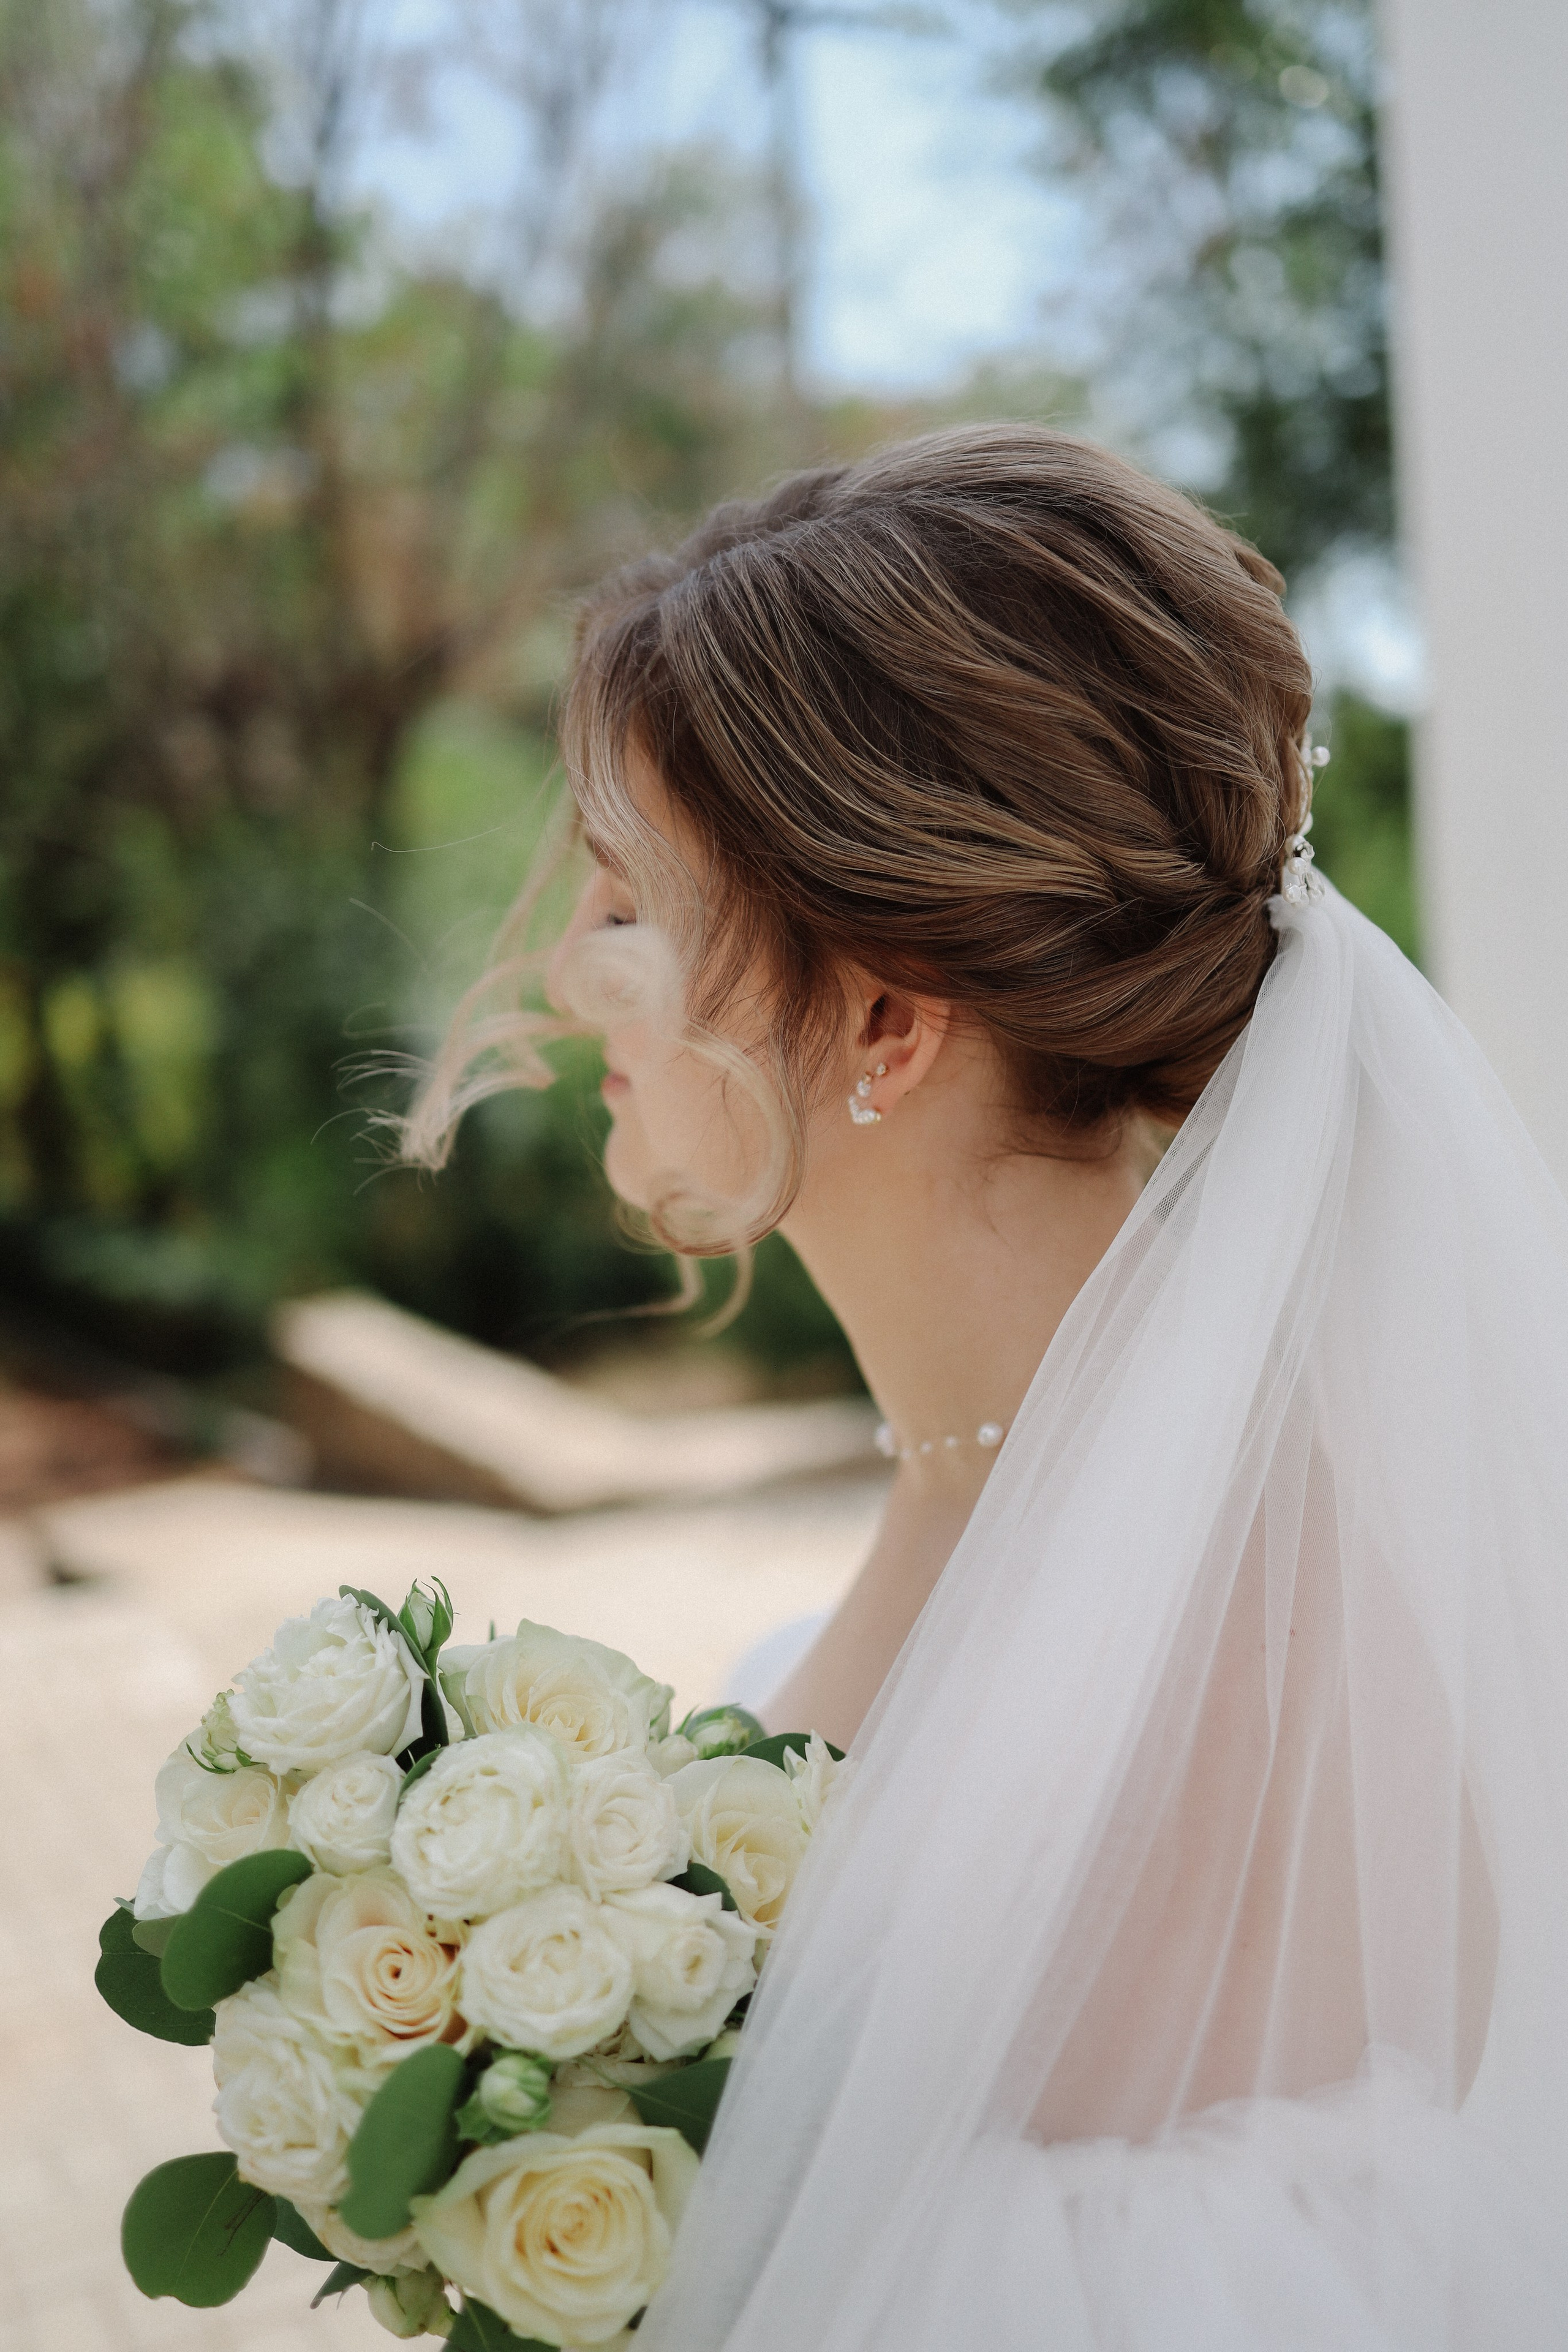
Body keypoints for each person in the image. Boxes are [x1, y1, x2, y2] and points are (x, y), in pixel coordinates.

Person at [407, 426, 1568, 2347]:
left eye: (625, 902)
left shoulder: (1216, 1667)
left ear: (881, 1014)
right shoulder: (1017, 1469)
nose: (560, 972)